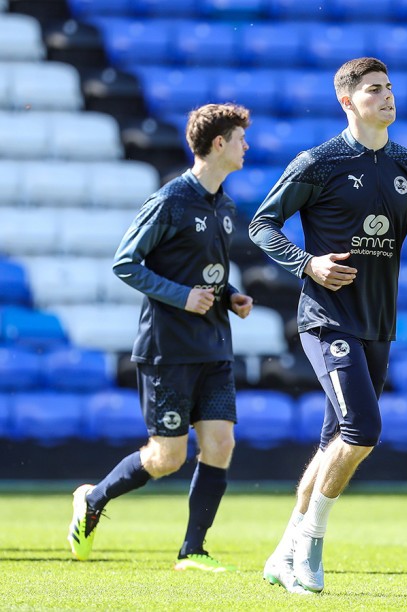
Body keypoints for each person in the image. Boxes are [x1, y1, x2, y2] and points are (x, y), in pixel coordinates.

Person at [249, 56, 407, 594]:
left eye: (389, 87)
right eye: (374, 89)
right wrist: (307, 263)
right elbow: (262, 225)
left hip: (378, 324)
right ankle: (311, 543)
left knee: (333, 443)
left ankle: (281, 553)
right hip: (327, 319)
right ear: (347, 101)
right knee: (363, 430)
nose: (387, 96)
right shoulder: (319, 161)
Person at [68, 103, 254, 572]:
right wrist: (182, 297)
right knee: (167, 457)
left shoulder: (226, 206)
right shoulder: (171, 199)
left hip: (214, 346)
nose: (246, 146)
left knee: (221, 444)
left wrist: (230, 294)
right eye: (240, 139)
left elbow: (205, 272)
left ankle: (193, 551)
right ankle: (92, 499)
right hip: (167, 349)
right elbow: (125, 262)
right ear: (219, 144)